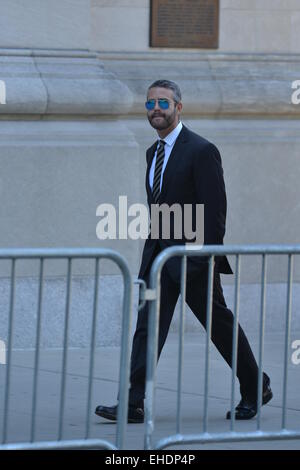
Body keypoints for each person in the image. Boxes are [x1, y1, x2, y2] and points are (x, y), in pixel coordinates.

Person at [95, 79, 273, 424]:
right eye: (150, 104)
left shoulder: (201, 150)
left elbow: (215, 210)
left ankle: (255, 386)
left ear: (179, 107)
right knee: (147, 329)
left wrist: (202, 255)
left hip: (193, 260)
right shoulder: (153, 153)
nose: (156, 109)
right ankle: (133, 402)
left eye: (163, 103)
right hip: (160, 258)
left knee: (219, 325)